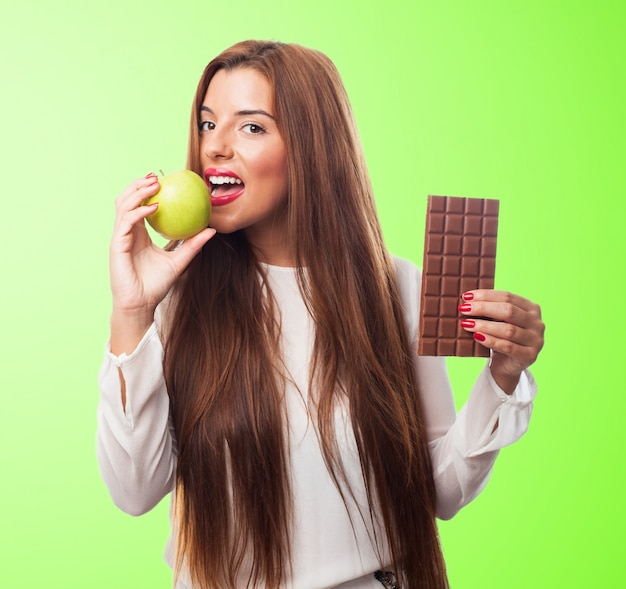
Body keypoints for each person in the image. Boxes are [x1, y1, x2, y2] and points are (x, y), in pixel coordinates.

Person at [97, 40, 545, 589]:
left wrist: (503, 378)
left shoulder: (393, 287)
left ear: (311, 147)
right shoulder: (177, 293)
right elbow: (135, 490)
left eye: (251, 127)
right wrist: (133, 310)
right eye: (208, 123)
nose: (215, 147)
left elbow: (438, 491)